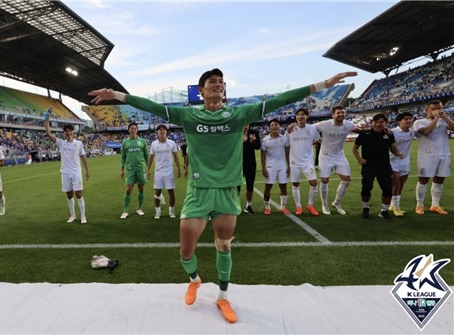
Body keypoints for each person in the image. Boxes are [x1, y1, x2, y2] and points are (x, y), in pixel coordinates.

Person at [89, 69, 357, 323]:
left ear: (224, 90)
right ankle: (194, 280)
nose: (218, 84)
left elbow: (281, 99)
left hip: (228, 191)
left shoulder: (239, 115)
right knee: (185, 250)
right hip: (199, 191)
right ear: (202, 92)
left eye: (221, 81)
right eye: (212, 82)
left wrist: (325, 83)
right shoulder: (188, 116)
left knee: (224, 245)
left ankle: (223, 296)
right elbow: (153, 107)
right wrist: (118, 95)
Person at [353, 113, 402, 220]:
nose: (379, 124)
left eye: (382, 122)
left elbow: (393, 147)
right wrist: (359, 159)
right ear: (372, 122)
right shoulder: (364, 134)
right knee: (366, 188)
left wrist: (397, 152)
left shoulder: (389, 134)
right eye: (377, 122)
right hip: (369, 166)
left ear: (385, 123)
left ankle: (384, 210)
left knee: (387, 189)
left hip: (384, 166)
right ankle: (365, 208)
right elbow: (355, 148)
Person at [314, 106, 360, 215]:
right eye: (338, 113)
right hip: (325, 156)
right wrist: (317, 139)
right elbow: (310, 128)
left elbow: (359, 130)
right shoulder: (324, 124)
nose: (341, 114)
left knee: (346, 180)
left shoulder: (348, 124)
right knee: (324, 180)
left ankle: (337, 202)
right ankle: (324, 204)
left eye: (343, 113)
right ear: (333, 115)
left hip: (339, 155)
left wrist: (381, 130)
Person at [45, 113, 89, 224]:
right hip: (65, 173)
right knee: (69, 195)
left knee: (79, 194)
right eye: (66, 131)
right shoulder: (61, 143)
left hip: (76, 173)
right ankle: (72, 215)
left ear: (72, 132)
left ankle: (83, 215)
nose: (68, 132)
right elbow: (48, 133)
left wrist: (87, 170)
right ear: (64, 132)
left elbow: (83, 156)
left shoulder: (78, 144)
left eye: (70, 130)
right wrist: (46, 120)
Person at [413, 100, 454, 215]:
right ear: (427, 110)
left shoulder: (444, 121)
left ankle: (435, 205)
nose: (438, 111)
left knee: (439, 180)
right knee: (423, 180)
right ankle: (419, 205)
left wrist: (445, 118)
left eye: (439, 108)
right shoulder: (419, 122)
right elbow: (426, 132)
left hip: (444, 153)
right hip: (427, 155)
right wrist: (436, 119)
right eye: (434, 109)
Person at [285, 108, 320, 216]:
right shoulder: (290, 130)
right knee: (295, 184)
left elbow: (317, 140)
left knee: (314, 183)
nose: (300, 116)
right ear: (296, 117)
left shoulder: (312, 128)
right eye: (298, 115)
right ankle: (298, 207)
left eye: (303, 115)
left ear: (307, 116)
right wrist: (288, 164)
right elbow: (286, 146)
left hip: (307, 162)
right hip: (294, 162)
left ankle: (310, 205)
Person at [147, 124, 181, 219]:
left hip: (169, 172)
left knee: (171, 191)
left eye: (163, 130)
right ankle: (158, 212)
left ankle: (171, 211)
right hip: (158, 172)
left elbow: (176, 157)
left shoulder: (172, 143)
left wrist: (178, 169)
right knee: (157, 192)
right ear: (157, 132)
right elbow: (150, 158)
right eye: (160, 130)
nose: (162, 132)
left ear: (166, 132)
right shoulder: (154, 144)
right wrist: (148, 170)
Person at [119, 122, 149, 219]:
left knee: (141, 189)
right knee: (128, 189)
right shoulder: (125, 142)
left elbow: (146, 156)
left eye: (134, 128)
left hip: (141, 169)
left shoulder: (142, 141)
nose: (133, 130)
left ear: (137, 130)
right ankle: (125, 210)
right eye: (131, 128)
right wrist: (122, 169)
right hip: (130, 170)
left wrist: (148, 168)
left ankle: (139, 208)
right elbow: (123, 157)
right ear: (128, 130)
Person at [261, 118, 290, 215]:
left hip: (282, 167)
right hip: (270, 167)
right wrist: (263, 168)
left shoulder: (284, 138)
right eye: (272, 125)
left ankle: (283, 207)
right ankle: (267, 206)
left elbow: (287, 153)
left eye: (276, 125)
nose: (274, 126)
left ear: (279, 127)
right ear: (269, 128)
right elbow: (263, 155)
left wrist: (289, 166)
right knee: (268, 188)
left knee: (283, 187)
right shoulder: (265, 140)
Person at [388, 112, 414, 216]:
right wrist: (396, 152)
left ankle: (392, 205)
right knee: (396, 184)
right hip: (393, 161)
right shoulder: (392, 132)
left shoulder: (412, 132)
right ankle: (397, 208)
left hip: (405, 161)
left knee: (401, 185)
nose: (409, 120)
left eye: (410, 118)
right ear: (399, 121)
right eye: (406, 119)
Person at [239, 124, 261, 214]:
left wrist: (252, 142)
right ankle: (235, 206)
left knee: (250, 186)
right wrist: (242, 142)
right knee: (236, 187)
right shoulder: (236, 133)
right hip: (238, 164)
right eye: (243, 123)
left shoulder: (254, 133)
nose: (245, 125)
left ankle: (248, 205)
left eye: (247, 123)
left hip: (251, 163)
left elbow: (258, 146)